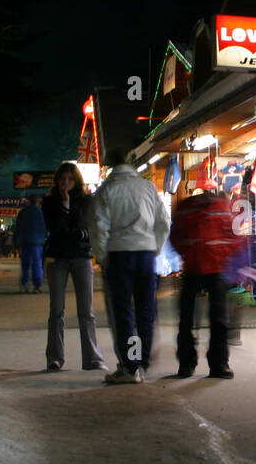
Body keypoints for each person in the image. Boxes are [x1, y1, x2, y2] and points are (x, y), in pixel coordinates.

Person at [90, 145, 170, 384]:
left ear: (110, 166)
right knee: (146, 310)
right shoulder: (146, 187)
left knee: (124, 312)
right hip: (145, 255)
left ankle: (130, 365)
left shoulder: (106, 190)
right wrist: (154, 247)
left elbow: (98, 227)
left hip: (119, 255)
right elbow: (163, 222)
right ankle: (141, 363)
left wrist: (103, 256)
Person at [169, 170, 238, 379]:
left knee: (190, 319)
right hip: (209, 268)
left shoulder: (186, 207)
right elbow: (233, 237)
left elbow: (175, 236)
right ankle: (216, 364)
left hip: (203, 267)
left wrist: (187, 253)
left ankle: (190, 364)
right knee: (215, 319)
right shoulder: (222, 207)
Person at [42, 162, 107, 372]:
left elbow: (84, 226)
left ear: (76, 180)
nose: (66, 183)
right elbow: (55, 228)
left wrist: (74, 226)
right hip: (57, 258)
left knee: (86, 311)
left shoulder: (87, 200)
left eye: (70, 179)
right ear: (57, 181)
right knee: (56, 310)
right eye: (62, 179)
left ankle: (93, 359)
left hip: (81, 257)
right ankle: (54, 358)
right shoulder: (50, 201)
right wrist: (65, 205)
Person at [13, 197, 48, 293]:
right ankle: (37, 285)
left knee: (25, 263)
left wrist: (15, 240)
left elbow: (17, 228)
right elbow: (45, 227)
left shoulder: (23, 212)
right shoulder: (41, 212)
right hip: (38, 242)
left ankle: (24, 284)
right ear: (37, 201)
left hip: (25, 241)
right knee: (37, 263)